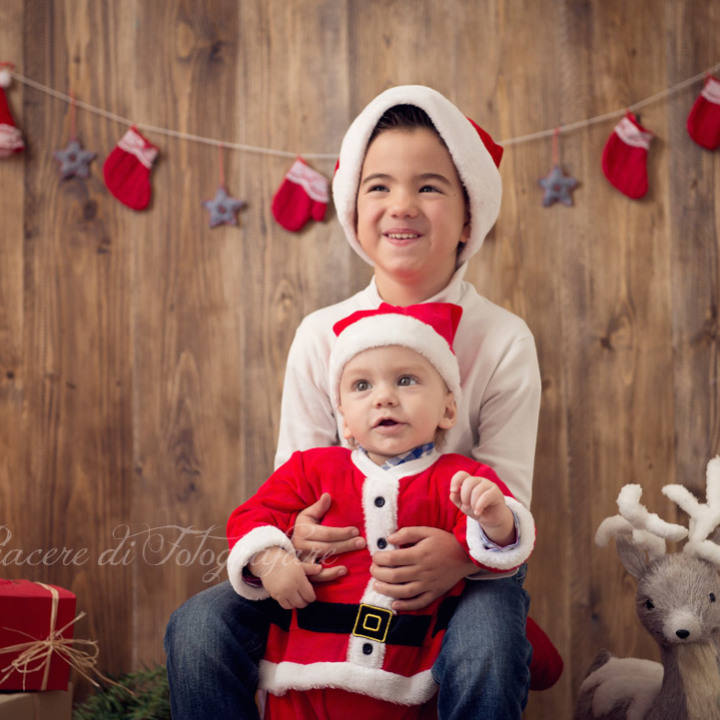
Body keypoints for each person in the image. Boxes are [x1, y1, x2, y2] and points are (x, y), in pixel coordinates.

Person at [165, 85, 561, 720]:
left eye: (430, 187)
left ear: (468, 217)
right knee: (198, 627)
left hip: (464, 566)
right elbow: (294, 476)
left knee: (486, 642)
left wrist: (460, 554)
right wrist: (294, 538)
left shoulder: (503, 337)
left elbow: (508, 492)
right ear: (353, 210)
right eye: (379, 186)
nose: (401, 206)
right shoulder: (322, 333)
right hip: (334, 563)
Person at [225, 302, 536, 719]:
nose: (384, 398)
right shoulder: (311, 469)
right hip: (303, 680)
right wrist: (268, 557)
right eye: (361, 387)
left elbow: (499, 549)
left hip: (408, 680)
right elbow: (251, 517)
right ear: (345, 422)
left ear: (447, 409)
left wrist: (496, 520)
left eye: (406, 381)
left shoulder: (462, 478)